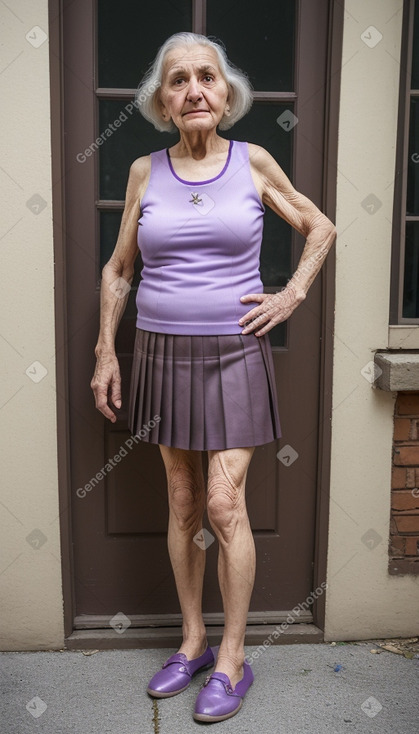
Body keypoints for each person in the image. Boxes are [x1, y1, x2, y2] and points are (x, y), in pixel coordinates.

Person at [91, 31, 337, 724]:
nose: (193, 89)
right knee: (181, 500)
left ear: (226, 94)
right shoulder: (145, 171)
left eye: (206, 76)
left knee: (225, 505)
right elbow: (118, 269)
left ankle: (232, 656)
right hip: (161, 348)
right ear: (161, 101)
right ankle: (193, 641)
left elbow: (319, 227)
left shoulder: (252, 161)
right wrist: (106, 353)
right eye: (177, 80)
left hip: (233, 352)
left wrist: (290, 295)